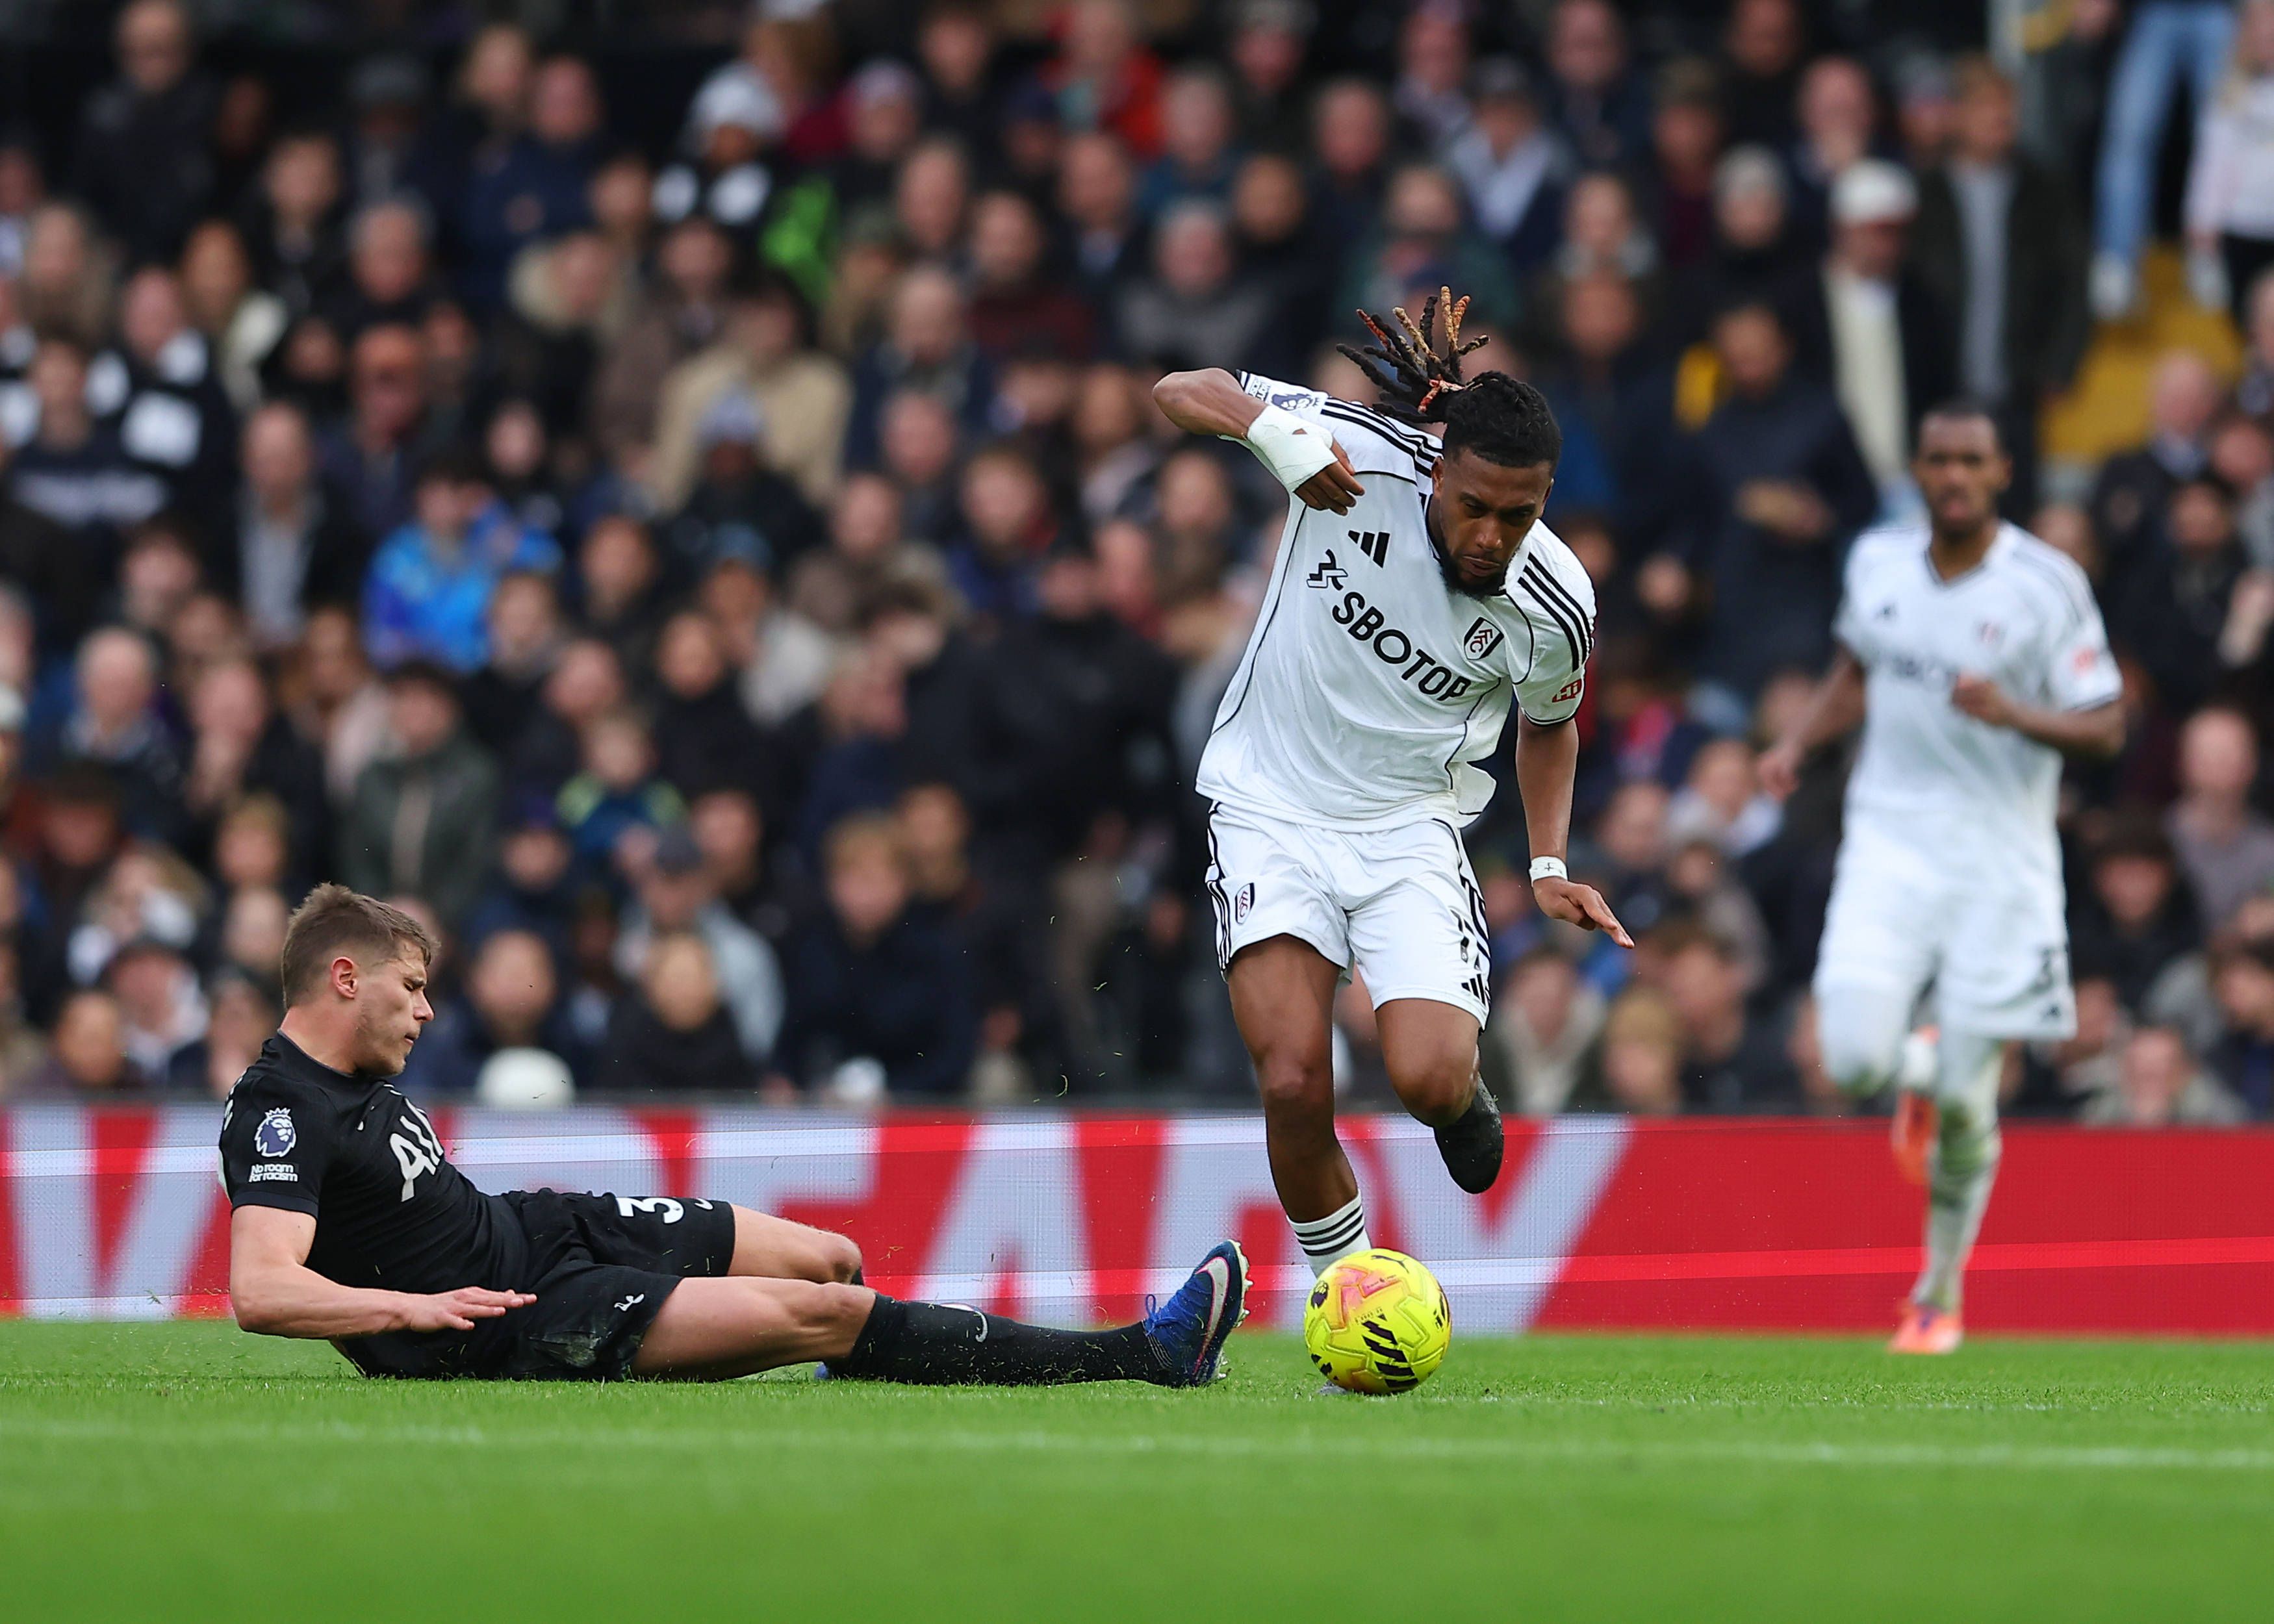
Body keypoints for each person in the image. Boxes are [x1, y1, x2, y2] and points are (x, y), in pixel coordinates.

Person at [220, 884, 1246, 1383]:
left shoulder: (350, 1074)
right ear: (343, 978)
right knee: (831, 1313)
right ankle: (1138, 1356)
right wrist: (407, 1312)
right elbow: (262, 1289)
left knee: (833, 1260)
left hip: (540, 1231)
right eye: (412, 989)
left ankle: (878, 1361)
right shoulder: (279, 1108)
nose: (428, 1012)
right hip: (517, 1319)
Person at [1151, 288, 1630, 1280]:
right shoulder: (1354, 456)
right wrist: (1269, 436)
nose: (1494, 536)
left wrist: (1546, 862)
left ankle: (1462, 1099)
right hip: (1268, 805)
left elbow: (1550, 726)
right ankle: (1353, 1293)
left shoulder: (1556, 602)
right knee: (1292, 1079)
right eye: (1475, 507)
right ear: (1437, 472)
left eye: (1520, 514)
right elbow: (1178, 390)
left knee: (1424, 1075)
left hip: (1409, 825)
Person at [1760, 403, 2125, 1354]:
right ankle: (1916, 1076)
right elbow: (1857, 666)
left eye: (1972, 460)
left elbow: (2107, 724)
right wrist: (1798, 741)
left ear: (2002, 471)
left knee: (1972, 1106)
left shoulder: (2048, 586)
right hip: (1887, 842)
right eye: (1938, 460)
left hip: (2001, 860)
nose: (1954, 476)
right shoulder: (1878, 561)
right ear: (1918, 471)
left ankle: (1938, 1293)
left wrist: (2014, 713)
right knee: (1849, 1061)